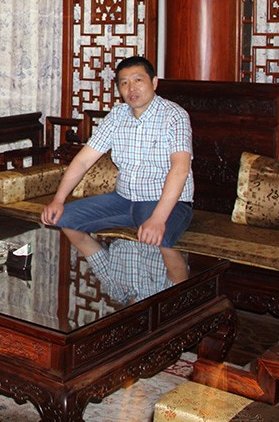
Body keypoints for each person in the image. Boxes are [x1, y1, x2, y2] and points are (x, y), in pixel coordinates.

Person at [41, 55, 193, 284]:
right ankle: (107, 262)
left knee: (157, 239)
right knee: (62, 218)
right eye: (124, 83)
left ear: (154, 82)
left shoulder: (174, 116)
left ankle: (176, 297)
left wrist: (158, 219)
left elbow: (180, 169)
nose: (131, 88)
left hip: (165, 202)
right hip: (123, 199)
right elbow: (83, 161)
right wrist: (58, 200)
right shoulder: (118, 115)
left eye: (138, 80)